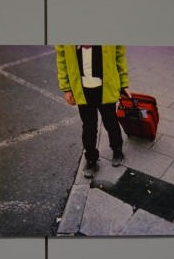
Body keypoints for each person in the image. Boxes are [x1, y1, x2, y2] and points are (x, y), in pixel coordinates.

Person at [55, 45, 131, 178]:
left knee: (111, 122)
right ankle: (91, 159)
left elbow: (119, 56)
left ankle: (117, 150)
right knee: (89, 127)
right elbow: (61, 59)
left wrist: (123, 84)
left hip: (107, 87)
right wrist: (66, 88)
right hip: (82, 90)